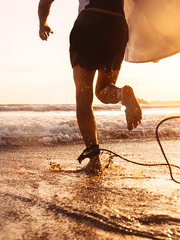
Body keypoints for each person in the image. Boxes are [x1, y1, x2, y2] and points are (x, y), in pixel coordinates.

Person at [38, 0, 142, 174]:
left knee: (83, 97)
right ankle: (121, 93)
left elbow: (45, 2)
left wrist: (43, 24)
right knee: (105, 89)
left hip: (89, 23)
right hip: (117, 25)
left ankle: (95, 161)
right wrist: (154, 48)